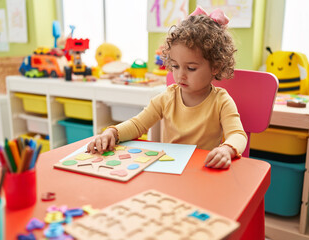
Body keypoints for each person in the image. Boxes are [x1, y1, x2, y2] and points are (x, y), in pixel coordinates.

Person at [87, 6, 247, 169]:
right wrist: (112, 132)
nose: (180, 75)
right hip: (170, 167)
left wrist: (227, 149)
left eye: (191, 68)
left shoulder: (221, 101)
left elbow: (237, 135)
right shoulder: (166, 97)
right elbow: (137, 125)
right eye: (175, 66)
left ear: (215, 67)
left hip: (203, 169)